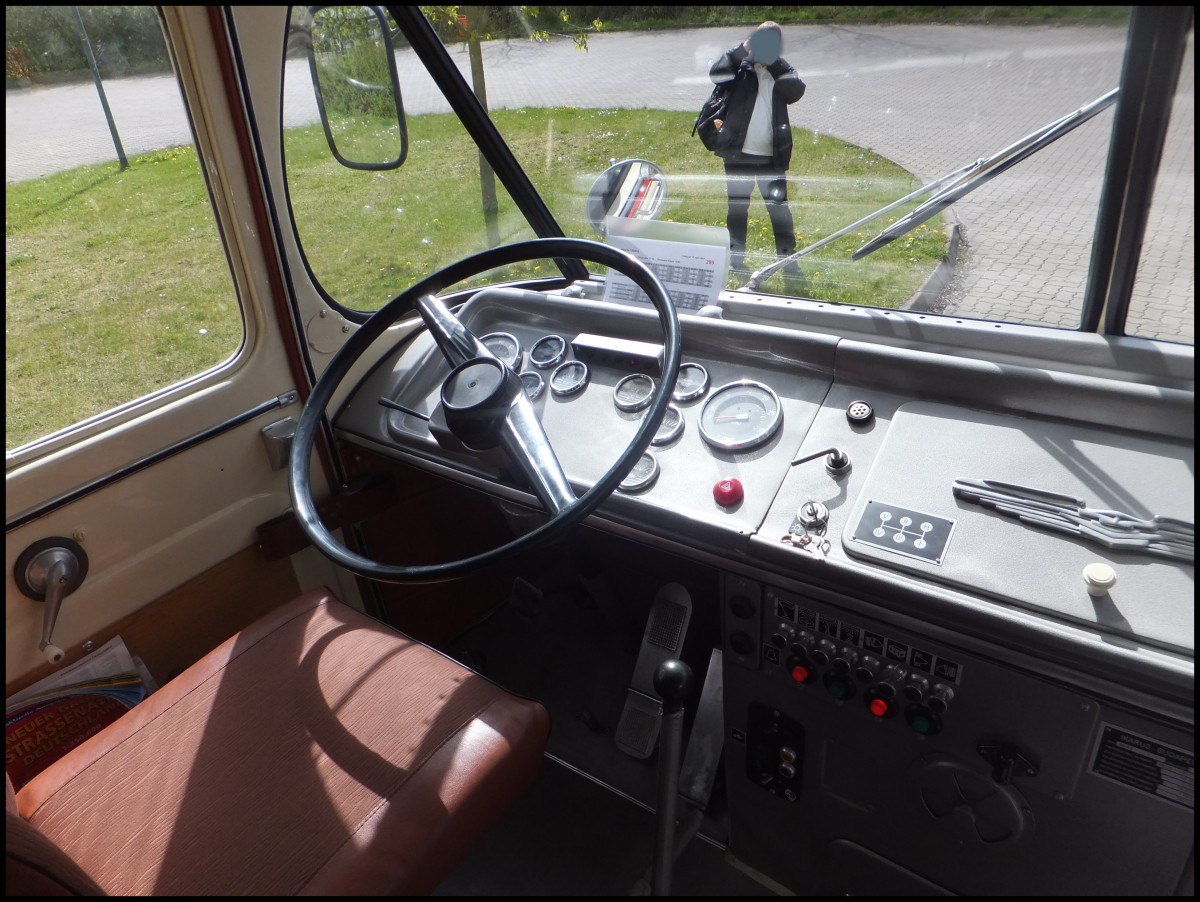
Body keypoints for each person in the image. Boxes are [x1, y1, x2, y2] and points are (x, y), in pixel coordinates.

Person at [708, 22, 807, 289]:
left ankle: (788, 260)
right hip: (737, 154)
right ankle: (736, 258)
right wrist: (741, 52)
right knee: (737, 209)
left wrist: (773, 63)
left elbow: (795, 91)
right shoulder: (739, 68)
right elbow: (715, 74)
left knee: (779, 211)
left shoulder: (782, 71)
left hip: (770, 157)